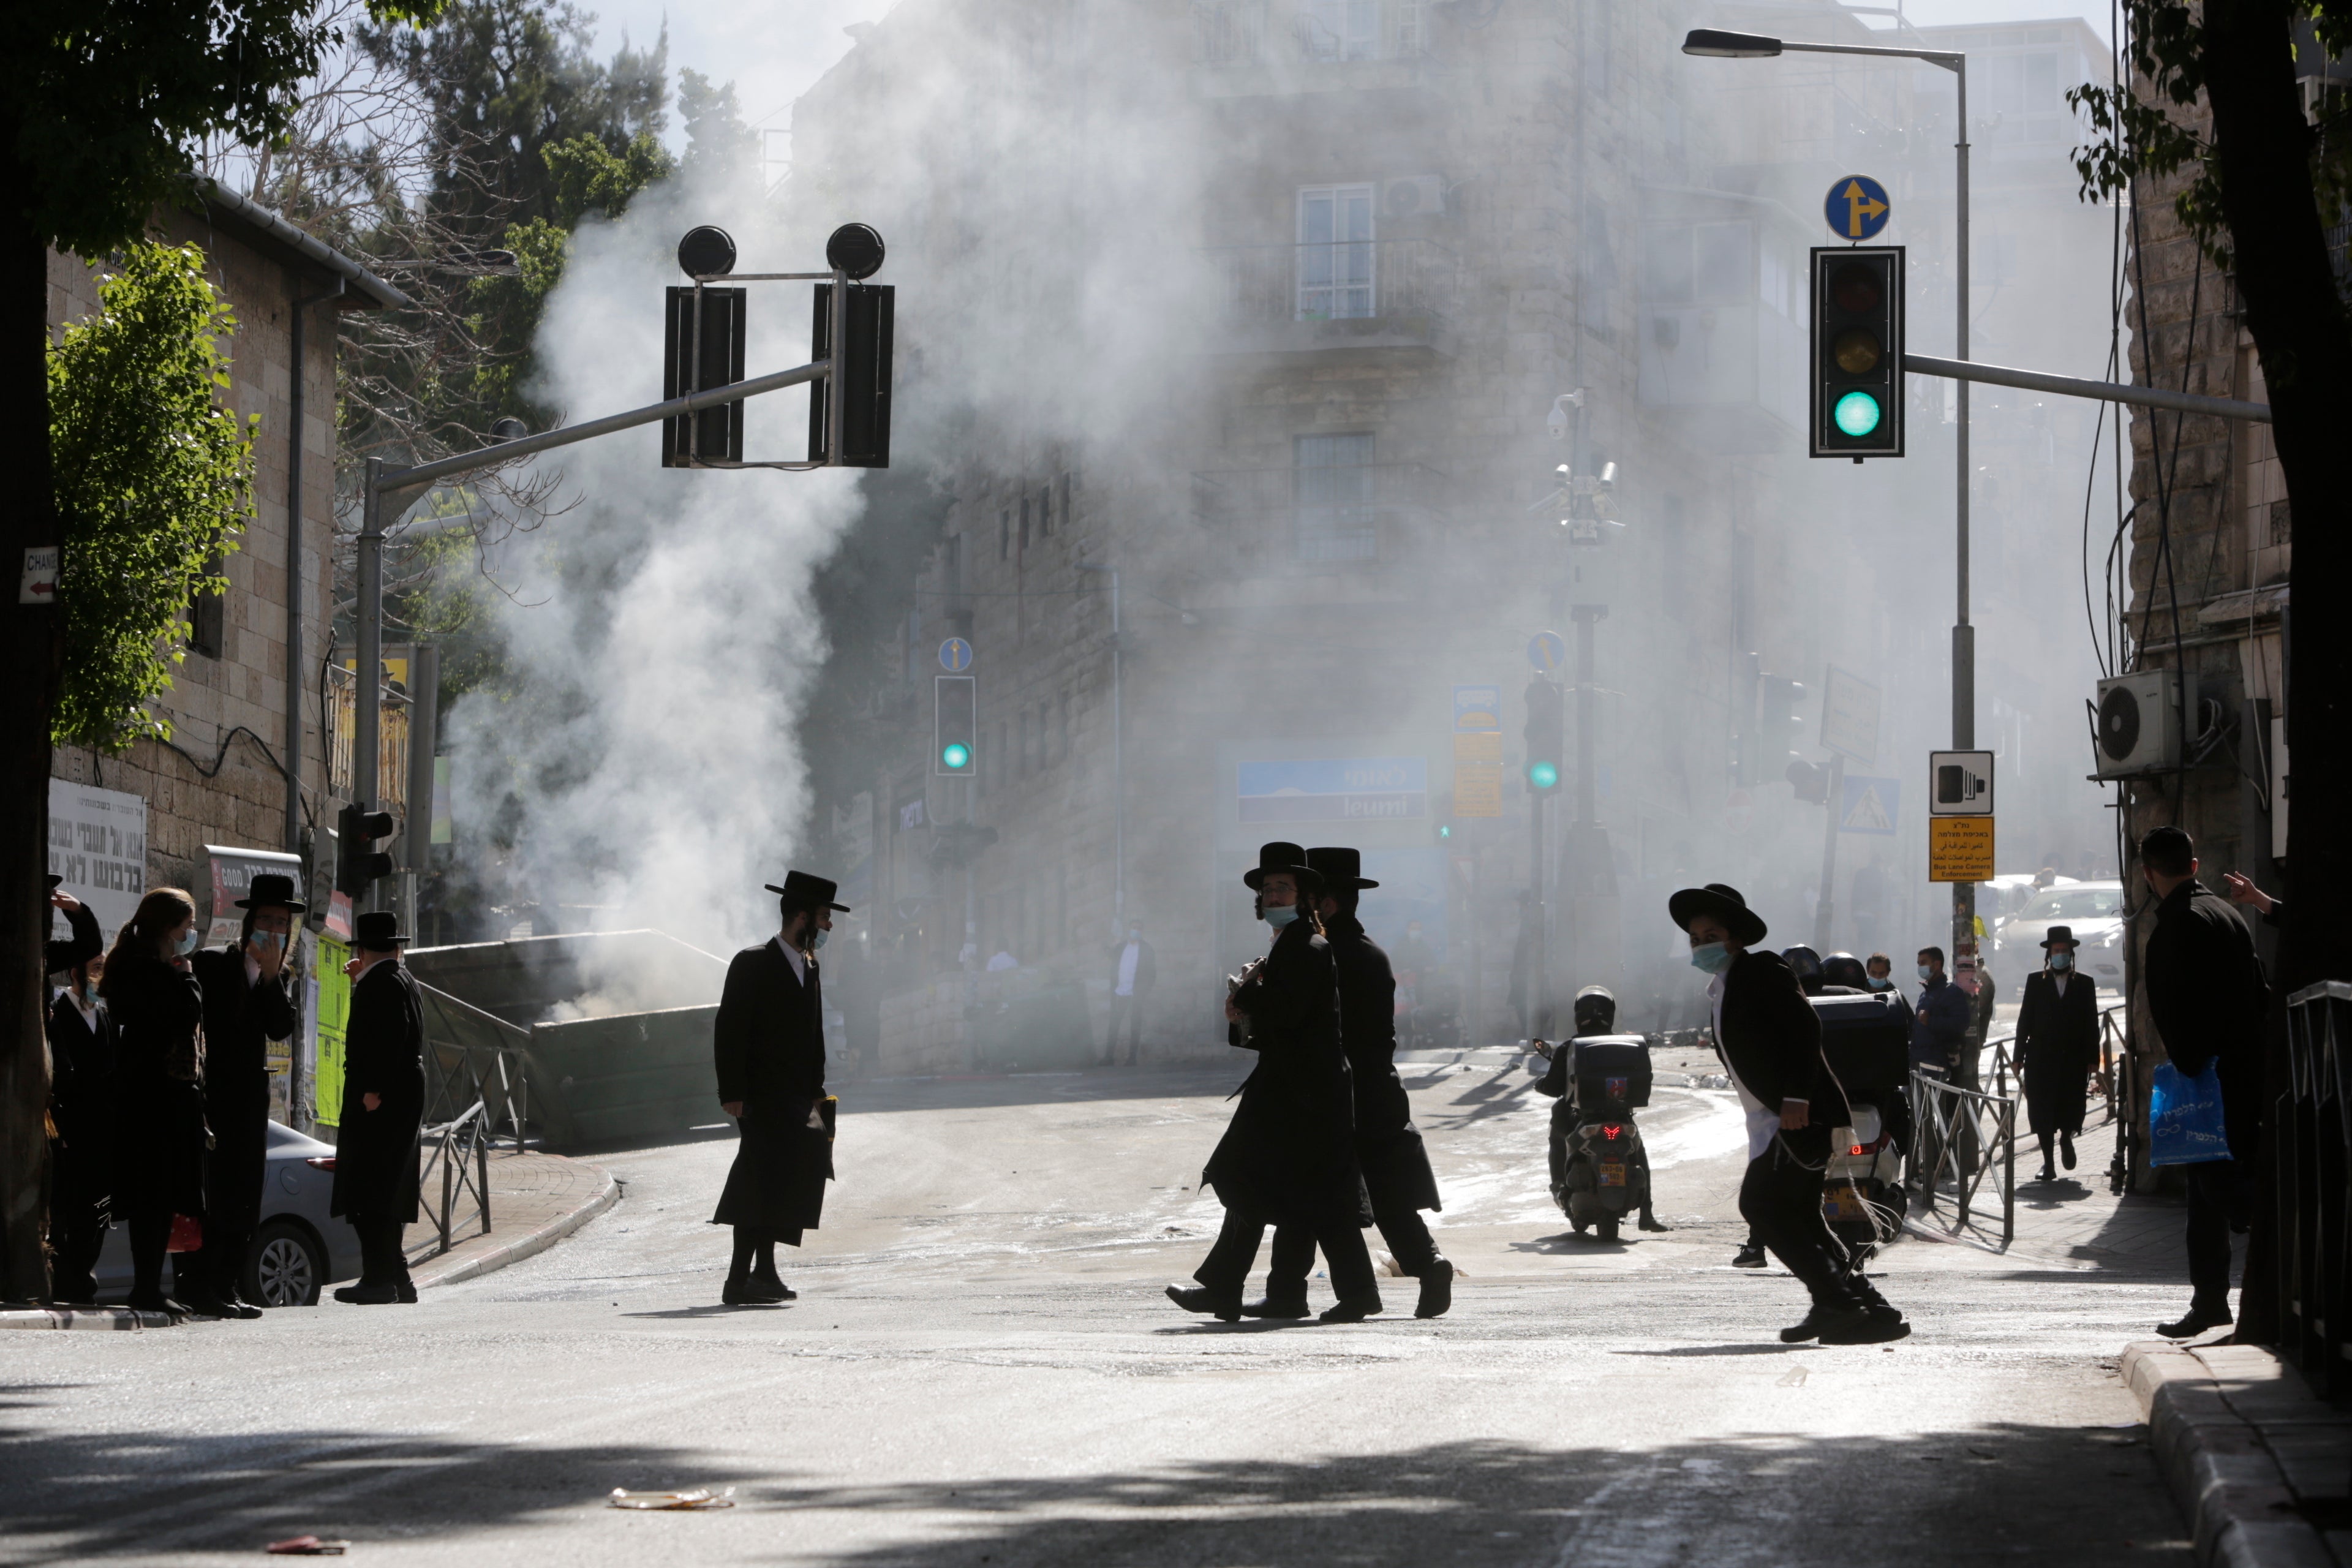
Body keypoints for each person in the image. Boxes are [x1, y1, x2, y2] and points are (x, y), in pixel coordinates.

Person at [1670, 881, 1905, 1344]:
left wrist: (1797, 1097)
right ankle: (1872, 1311)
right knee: (1800, 1218)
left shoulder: (1761, 968)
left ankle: (1835, 1302)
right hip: (1772, 1122)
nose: (1702, 945)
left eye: (1711, 934)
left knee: (1760, 1207)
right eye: (1695, 939)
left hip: (1799, 1116)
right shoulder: (1724, 986)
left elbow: (1804, 1026)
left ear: (1736, 936)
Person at [1170, 842, 1380, 1324]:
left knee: (1247, 1177)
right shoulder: (1288, 946)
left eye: (1281, 888)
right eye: (1266, 889)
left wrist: (1246, 996)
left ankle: (1234, 1288)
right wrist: (1245, 1004)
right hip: (1296, 1090)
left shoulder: (1307, 947)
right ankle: (1289, 1292)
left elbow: (1285, 1015)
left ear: (1305, 896)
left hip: (1305, 1095)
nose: (1271, 896)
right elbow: (1273, 1025)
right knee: (1304, 1194)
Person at [1247, 848, 1451, 1321]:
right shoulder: (1370, 952)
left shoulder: (1322, 954)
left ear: (1328, 904)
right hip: (1377, 1090)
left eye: (1310, 899)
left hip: (1338, 1093)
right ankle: (1427, 1263)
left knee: (1316, 1191)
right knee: (1377, 1193)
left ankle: (1301, 1291)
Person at [2139, 826, 2267, 1339]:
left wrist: (2190, 1066)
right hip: (2245, 1065)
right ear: (2193, 866)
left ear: (2149, 874)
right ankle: (2210, 1299)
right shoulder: (2227, 913)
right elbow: (2257, 988)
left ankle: (2244, 1236)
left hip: (2208, 1075)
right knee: (2206, 1187)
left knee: (2218, 1185)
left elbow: (2169, 1008)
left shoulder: (2176, 924)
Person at [712, 871, 847, 1305]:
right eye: (824, 917)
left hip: (795, 1097)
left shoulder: (810, 965)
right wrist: (732, 1091)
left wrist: (816, 1089)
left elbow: (814, 1035)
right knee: (758, 1180)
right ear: (802, 917)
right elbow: (730, 1030)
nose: (828, 926)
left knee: (788, 1179)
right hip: (758, 1097)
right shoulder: (751, 963)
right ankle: (738, 1281)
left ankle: (764, 1272)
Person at [183, 873, 301, 1317]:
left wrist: (271, 980)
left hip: (251, 1102)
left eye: (282, 923)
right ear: (250, 921)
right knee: (214, 1194)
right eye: (267, 919)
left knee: (245, 1197)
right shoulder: (214, 964)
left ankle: (227, 1284)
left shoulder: (280, 976)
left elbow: (280, 1028)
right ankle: (200, 1284)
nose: (274, 930)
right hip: (214, 1097)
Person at [101, 888, 209, 1314]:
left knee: (157, 1197)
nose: (190, 935)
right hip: (156, 1099)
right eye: (186, 928)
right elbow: (186, 1014)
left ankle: (150, 1284)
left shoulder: (138, 968)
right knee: (155, 1196)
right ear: (168, 929)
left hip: (145, 1097)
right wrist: (187, 976)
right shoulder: (153, 973)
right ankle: (146, 1286)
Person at [329, 911, 425, 1304]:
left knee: (371, 1188)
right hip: (402, 1095)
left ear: (364, 950)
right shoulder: (400, 978)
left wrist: (373, 1090)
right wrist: (358, 981)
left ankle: (379, 1280)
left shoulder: (382, 983)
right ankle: (398, 1278)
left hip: (382, 1099)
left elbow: (388, 1037)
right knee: (386, 1186)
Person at [1534, 985, 1667, 1234]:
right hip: (1620, 1116)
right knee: (1638, 1150)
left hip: (1580, 1119)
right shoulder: (1626, 1045)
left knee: (1558, 1137)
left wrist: (1540, 1084)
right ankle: (1646, 1214)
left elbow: (1553, 1088)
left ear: (1577, 1015)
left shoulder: (1570, 1047)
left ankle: (1560, 1187)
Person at [47, 937, 115, 1305]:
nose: (99, 976)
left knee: (99, 1209)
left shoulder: (104, 1016)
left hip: (101, 1133)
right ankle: (65, 1279)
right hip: (71, 1132)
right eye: (94, 968)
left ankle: (86, 1275)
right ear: (75, 972)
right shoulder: (58, 1014)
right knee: (67, 1208)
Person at [2013, 924, 2100, 1183]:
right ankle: (2048, 1163)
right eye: (2056, 950)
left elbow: (2091, 1023)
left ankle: (2066, 1139)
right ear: (2049, 954)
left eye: (2064, 950)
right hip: (2040, 1058)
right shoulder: (2035, 982)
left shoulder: (2085, 984)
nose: (2060, 954)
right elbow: (2024, 1020)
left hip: (2073, 1059)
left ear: (2071, 954)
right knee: (2042, 1109)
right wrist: (2018, 1057)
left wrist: (2093, 1058)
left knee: (2071, 1105)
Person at [1910, 946, 1970, 1075]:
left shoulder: (1951, 992)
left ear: (1937, 964)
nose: (1920, 967)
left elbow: (1962, 1023)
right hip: (1919, 1064)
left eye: (1923, 963)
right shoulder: (1925, 995)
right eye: (1918, 963)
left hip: (1939, 1065)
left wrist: (1931, 1021)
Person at [1105, 922, 1155, 1065]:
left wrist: (1144, 991)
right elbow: (1113, 965)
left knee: (1135, 1024)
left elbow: (1152, 973)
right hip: (1120, 991)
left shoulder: (1147, 950)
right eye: (1134, 928)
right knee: (1114, 1023)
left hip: (1136, 993)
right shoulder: (1121, 948)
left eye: (1139, 928)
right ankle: (1109, 1057)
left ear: (1142, 931)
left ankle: (1132, 1058)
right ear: (1129, 930)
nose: (1136, 931)